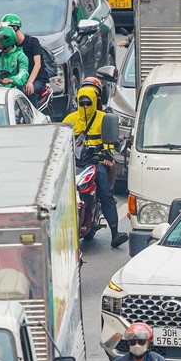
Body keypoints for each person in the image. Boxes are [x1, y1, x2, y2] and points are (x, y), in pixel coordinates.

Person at [63, 82, 125, 246]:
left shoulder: (103, 118)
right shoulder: (70, 119)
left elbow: (109, 144)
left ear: (93, 101)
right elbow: (60, 141)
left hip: (95, 163)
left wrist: (106, 156)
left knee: (105, 192)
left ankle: (115, 233)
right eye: (82, 103)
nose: (85, 106)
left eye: (88, 103)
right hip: (73, 164)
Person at [0, 14, 51, 99]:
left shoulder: (33, 42)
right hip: (20, 78)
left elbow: (37, 64)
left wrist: (30, 82)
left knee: (29, 90)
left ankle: (33, 112)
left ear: (15, 28)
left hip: (36, 79)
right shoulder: (10, 45)